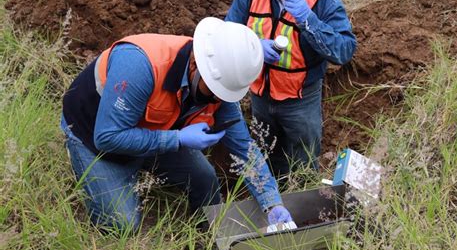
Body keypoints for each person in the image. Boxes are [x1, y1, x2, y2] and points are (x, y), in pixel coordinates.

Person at [61, 17, 293, 232]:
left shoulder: (221, 86)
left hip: (154, 131)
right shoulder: (141, 65)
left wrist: (272, 203)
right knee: (123, 224)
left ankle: (208, 236)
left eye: (224, 93)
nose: (217, 99)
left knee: (205, 179)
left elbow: (244, 148)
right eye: (214, 90)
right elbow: (108, 136)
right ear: (195, 65)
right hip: (94, 137)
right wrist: (177, 139)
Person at [225, 0, 357, 177]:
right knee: (266, 154)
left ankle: (301, 198)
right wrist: (254, 45)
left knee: (302, 161)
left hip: (301, 99)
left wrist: (309, 20)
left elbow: (344, 50)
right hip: (260, 95)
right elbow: (228, 33)